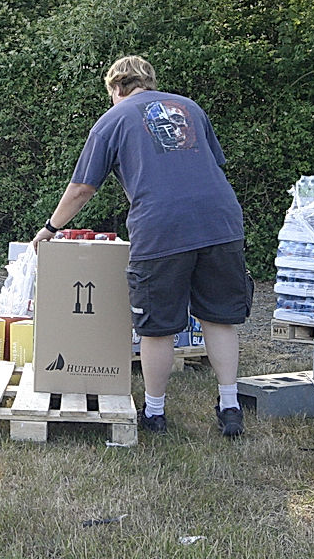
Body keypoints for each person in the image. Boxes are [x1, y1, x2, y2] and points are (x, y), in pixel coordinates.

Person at [30, 55, 252, 438]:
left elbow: (83, 188)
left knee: (158, 327)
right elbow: (212, 164)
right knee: (219, 318)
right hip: (221, 222)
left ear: (115, 88)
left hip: (161, 228)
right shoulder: (190, 108)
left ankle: (155, 412)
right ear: (149, 83)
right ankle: (230, 406)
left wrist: (50, 227)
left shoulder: (112, 120)